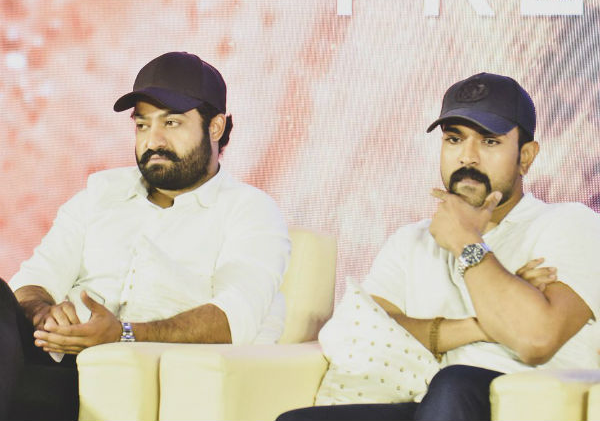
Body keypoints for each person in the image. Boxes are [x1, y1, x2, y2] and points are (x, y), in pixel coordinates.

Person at [277, 72, 600, 421]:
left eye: (489, 142)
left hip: (524, 405)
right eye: (454, 139)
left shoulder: (569, 223)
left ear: (526, 156)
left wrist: (466, 241)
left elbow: (536, 340)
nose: (467, 157)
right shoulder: (410, 240)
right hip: (432, 405)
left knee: (454, 384)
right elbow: (368, 330)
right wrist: (485, 324)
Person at [1, 51, 290, 420]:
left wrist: (122, 334)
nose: (153, 140)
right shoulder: (100, 193)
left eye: (171, 123)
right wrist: (44, 313)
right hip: (43, 356)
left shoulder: (250, 210)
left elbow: (235, 317)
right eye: (141, 125)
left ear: (216, 127)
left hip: (127, 380)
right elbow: (33, 281)